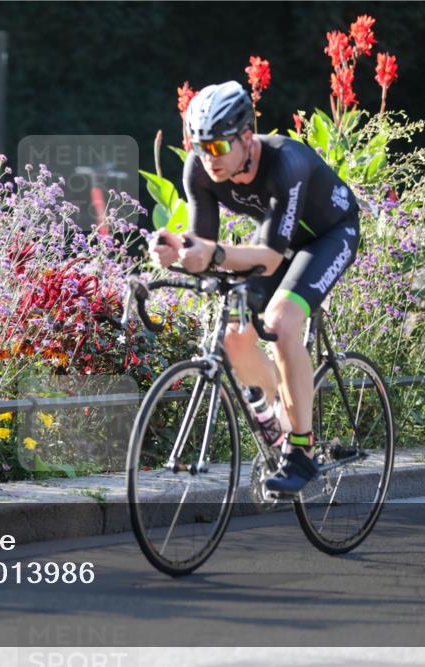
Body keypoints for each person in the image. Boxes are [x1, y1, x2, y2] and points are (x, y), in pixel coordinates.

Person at [149, 80, 360, 493]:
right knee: (234, 337)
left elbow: (269, 256)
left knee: (281, 321)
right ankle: (284, 419)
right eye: (199, 145)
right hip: (276, 246)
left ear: (247, 137)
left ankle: (301, 451)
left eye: (218, 147)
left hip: (328, 236)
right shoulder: (200, 169)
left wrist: (212, 254)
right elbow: (205, 244)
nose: (208, 158)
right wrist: (177, 251)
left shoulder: (287, 163)